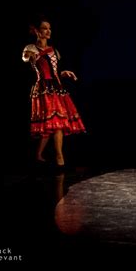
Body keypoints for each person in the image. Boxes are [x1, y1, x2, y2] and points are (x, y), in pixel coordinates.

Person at [22, 15, 86, 168]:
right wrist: (32, 56)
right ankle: (59, 158)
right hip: (43, 89)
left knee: (54, 123)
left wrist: (64, 73)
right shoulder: (31, 48)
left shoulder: (55, 51)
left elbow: (54, 71)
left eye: (49, 28)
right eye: (44, 28)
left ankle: (39, 155)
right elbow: (26, 58)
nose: (48, 31)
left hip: (57, 88)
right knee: (54, 123)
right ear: (37, 31)